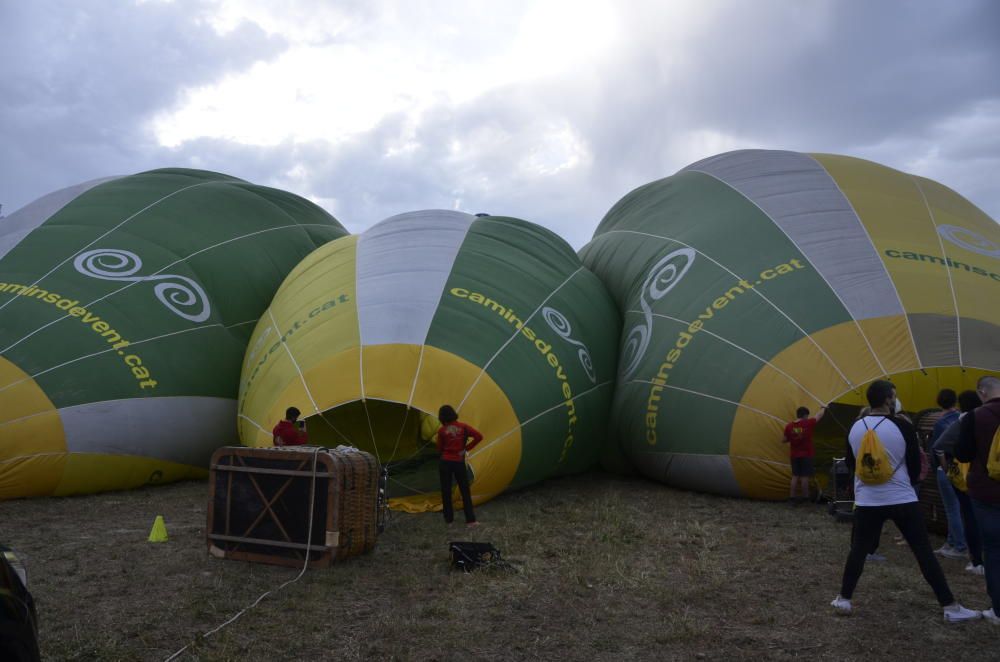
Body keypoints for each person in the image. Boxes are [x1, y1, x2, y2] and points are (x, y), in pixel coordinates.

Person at [831, 380, 980, 621]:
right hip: (902, 497)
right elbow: (914, 464)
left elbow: (851, 463)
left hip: (868, 499)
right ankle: (950, 607)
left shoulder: (855, 427)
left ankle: (844, 599)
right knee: (923, 552)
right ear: (888, 399)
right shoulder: (902, 426)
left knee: (858, 550)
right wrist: (905, 483)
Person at [955, 376, 1000, 625]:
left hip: (987, 492)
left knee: (993, 550)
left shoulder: (975, 417)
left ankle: (998, 610)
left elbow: (962, 453)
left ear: (982, 392)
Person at [934, 390, 985, 575]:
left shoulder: (960, 422)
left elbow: (938, 446)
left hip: (963, 477)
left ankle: (972, 555)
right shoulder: (985, 419)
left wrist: (946, 467)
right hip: (987, 477)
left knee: (964, 514)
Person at [930, 389, 968, 560]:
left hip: (946, 469)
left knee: (951, 509)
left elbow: (937, 448)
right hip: (963, 469)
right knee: (958, 508)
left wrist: (942, 468)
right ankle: (951, 542)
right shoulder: (962, 418)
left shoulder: (940, 424)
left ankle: (960, 546)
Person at [436, 405, 483, 527]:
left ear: (442, 417)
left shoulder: (442, 431)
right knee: (465, 490)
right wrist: (465, 449)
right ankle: (471, 520)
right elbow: (479, 436)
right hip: (458, 462)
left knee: (446, 491)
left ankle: (449, 520)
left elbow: (439, 448)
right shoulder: (464, 427)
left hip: (445, 462)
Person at [782, 404, 826, 503]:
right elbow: (819, 416)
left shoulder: (789, 426)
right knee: (804, 477)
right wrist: (823, 408)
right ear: (806, 415)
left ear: (797, 415)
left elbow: (784, 440)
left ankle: (792, 498)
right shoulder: (808, 423)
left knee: (795, 476)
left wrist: (793, 436)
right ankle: (805, 498)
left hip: (794, 455)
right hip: (806, 455)